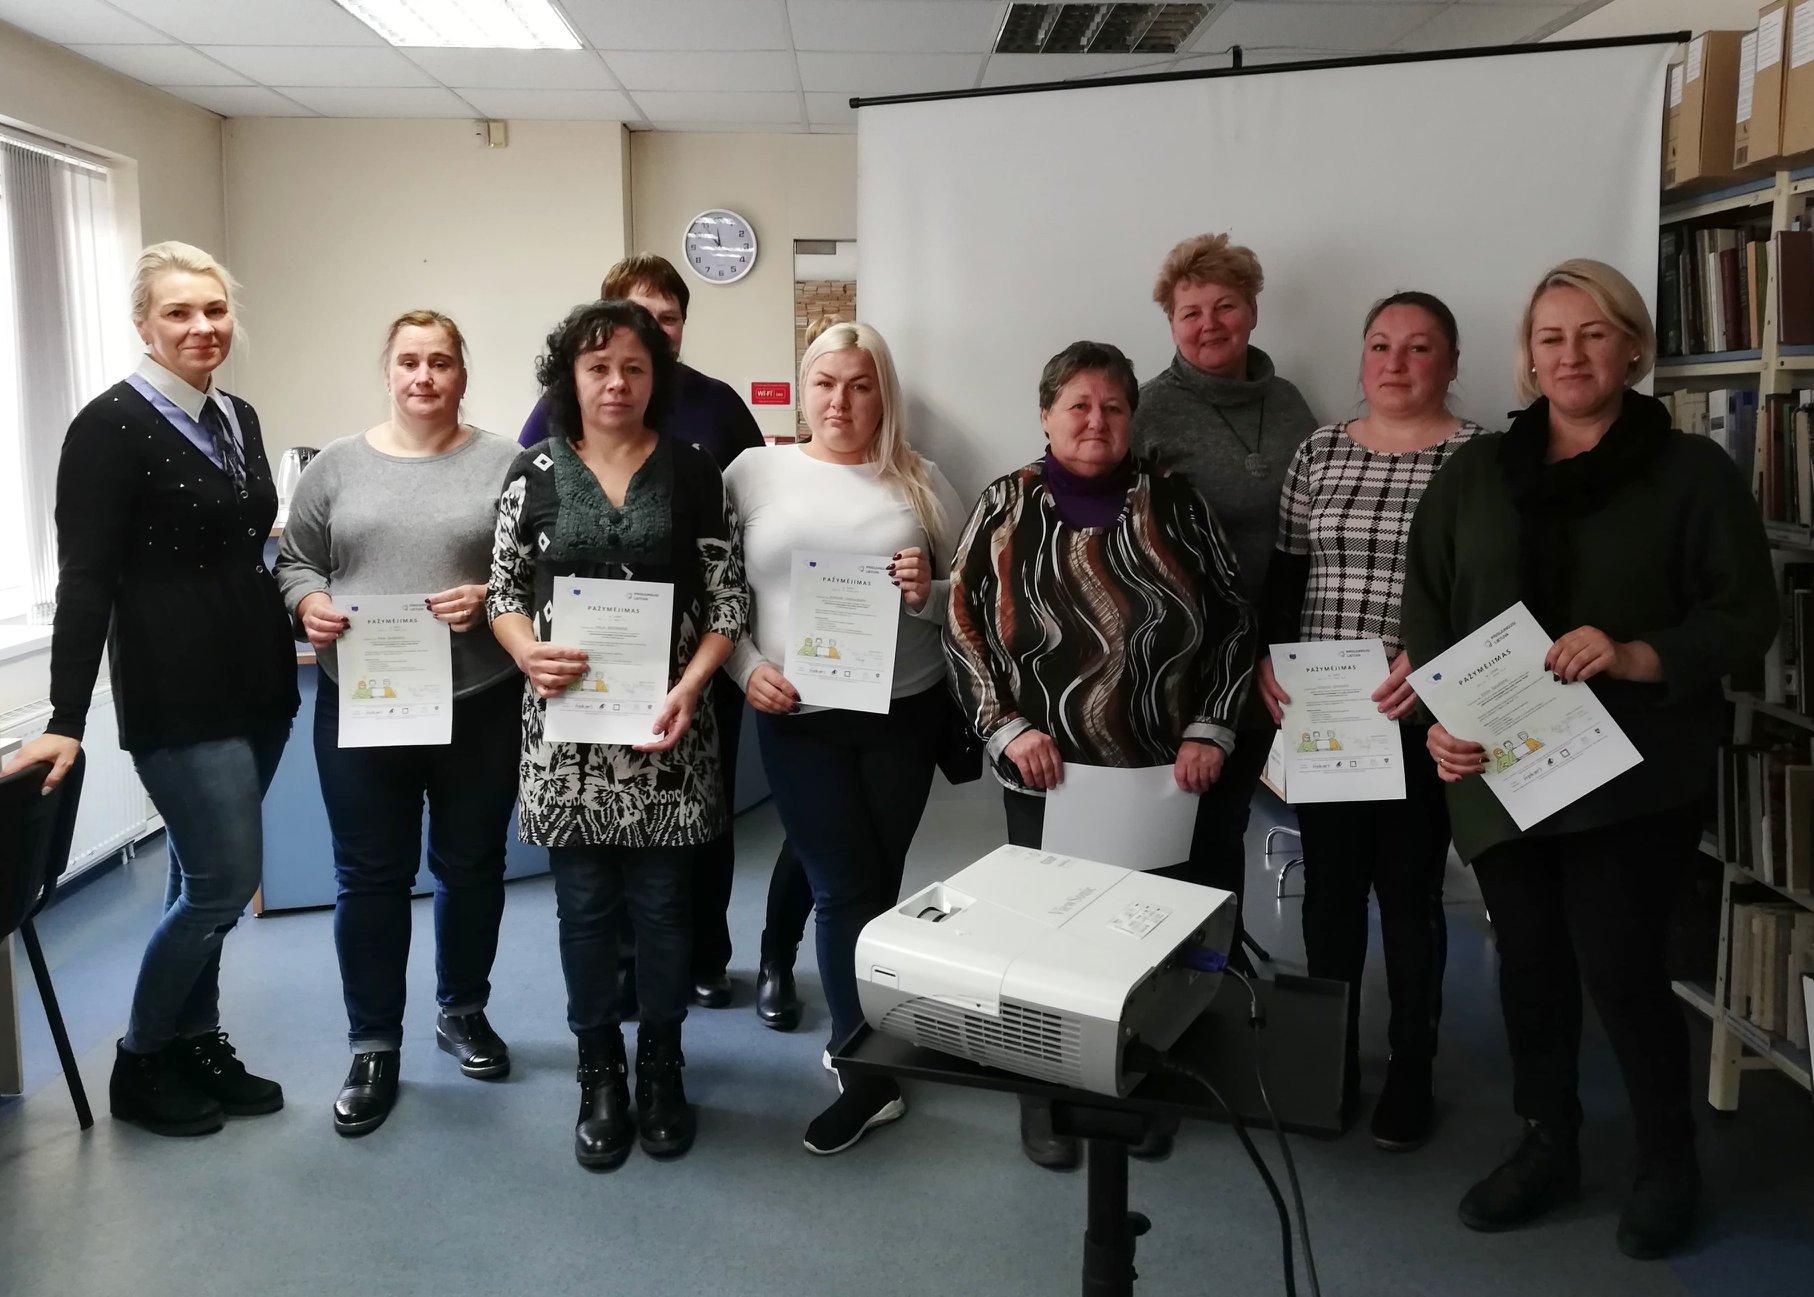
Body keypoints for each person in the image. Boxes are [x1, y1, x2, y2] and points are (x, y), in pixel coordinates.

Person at [1402, 259, 1776, 1258]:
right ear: (1527, 357)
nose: (1570, 355)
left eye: (1593, 333)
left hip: (1633, 773)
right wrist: (1439, 718)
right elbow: (1428, 605)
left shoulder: (1690, 472)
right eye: (1550, 337)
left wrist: (1637, 652)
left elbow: (1746, 614)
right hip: (1500, 774)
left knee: (1620, 965)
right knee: (1528, 964)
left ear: (1632, 348)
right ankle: (1546, 1143)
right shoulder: (1475, 473)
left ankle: (1666, 1160)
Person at [0, 242, 298, 1136]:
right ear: (142, 323)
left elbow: (251, 543)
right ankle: (139, 1060)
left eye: (215, 308)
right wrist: (64, 716)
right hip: (178, 687)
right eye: (179, 312)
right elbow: (85, 579)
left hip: (258, 678)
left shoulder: (238, 414)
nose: (203, 326)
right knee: (224, 882)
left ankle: (195, 1041)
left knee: (193, 876)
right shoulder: (108, 426)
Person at [946, 340, 1254, 1170]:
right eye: (1078, 405)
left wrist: (1213, 725)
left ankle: (1145, 1081)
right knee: (1044, 936)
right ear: (1046, 415)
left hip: (1164, 774)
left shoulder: (1177, 502)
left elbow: (1232, 618)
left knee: (1148, 937)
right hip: (1047, 772)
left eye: (1113, 406)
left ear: (1132, 418)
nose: (1095, 420)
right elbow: (963, 624)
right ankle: (1044, 1089)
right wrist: (1006, 727)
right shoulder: (1006, 502)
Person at [488, 299, 747, 1170]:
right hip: (565, 742)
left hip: (667, 734)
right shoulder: (533, 472)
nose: (616, 383)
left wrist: (691, 686)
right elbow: (504, 591)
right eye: (598, 367)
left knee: (667, 911)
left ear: (656, 377)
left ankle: (662, 1068)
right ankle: (599, 1071)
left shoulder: (695, 471)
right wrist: (526, 651)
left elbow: (729, 602)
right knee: (586, 912)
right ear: (570, 376)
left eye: (634, 368)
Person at [275, 310, 522, 1136]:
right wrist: (308, 602)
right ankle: (374, 1043)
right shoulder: (336, 467)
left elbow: (536, 565)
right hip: (365, 700)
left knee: (471, 864)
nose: (424, 376)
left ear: (462, 374)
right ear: (388, 371)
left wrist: (490, 595)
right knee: (369, 875)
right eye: (410, 361)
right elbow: (296, 560)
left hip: (478, 698)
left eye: (441, 361)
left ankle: (462, 1010)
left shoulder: (507, 463)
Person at [722, 322, 962, 1156]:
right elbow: (716, 591)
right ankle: (863, 1069)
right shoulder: (753, 472)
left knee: (874, 879)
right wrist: (744, 666)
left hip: (904, 710)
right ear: (804, 388)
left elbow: (968, 594)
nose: (841, 401)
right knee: (842, 882)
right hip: (797, 713)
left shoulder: (922, 480)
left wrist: (928, 592)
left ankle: (852, 1007)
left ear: (882, 394)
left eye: (861, 385)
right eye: (826, 383)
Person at [1255, 291, 1485, 1149]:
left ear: (1451, 362)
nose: (1396, 362)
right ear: (1362, 358)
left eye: (1419, 347)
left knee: (1411, 896)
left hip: (1421, 715)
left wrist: (1433, 661)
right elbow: (1287, 573)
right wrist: (1268, 659)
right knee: (1331, 896)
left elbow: (1491, 588)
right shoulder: (1319, 451)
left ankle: (1412, 1070)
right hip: (1327, 717)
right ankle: (1332, 1063)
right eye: (1381, 344)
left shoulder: (1479, 460)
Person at [523, 254, 779, 1017]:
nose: (656, 332)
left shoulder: (717, 408)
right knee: (602, 838)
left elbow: (749, 514)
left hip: (693, 664)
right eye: (641, 317)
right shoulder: (556, 415)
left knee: (699, 821)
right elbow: (524, 527)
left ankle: (704, 956)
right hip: (588, 669)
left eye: (669, 318)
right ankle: (625, 970)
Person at [1130, 232, 1319, 963]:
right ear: (1171, 324)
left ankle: (1220, 961)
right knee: (1179, 823)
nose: (1209, 324)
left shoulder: (1290, 401)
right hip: (1182, 661)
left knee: (1228, 816)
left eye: (1225, 306)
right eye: (1190, 312)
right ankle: (1180, 965)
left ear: (1253, 311)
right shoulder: (1149, 410)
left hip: (1272, 654)